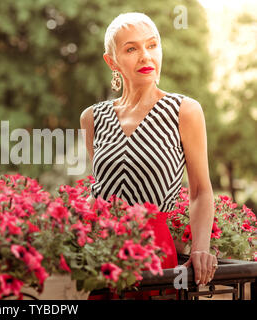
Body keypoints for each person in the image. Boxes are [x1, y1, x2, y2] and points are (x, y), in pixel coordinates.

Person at [80, 12, 218, 299]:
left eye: (152, 45)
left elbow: (200, 191)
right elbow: (100, 189)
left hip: (157, 258)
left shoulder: (185, 111)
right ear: (112, 61)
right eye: (131, 49)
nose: (145, 56)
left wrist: (200, 248)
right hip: (105, 258)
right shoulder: (92, 118)